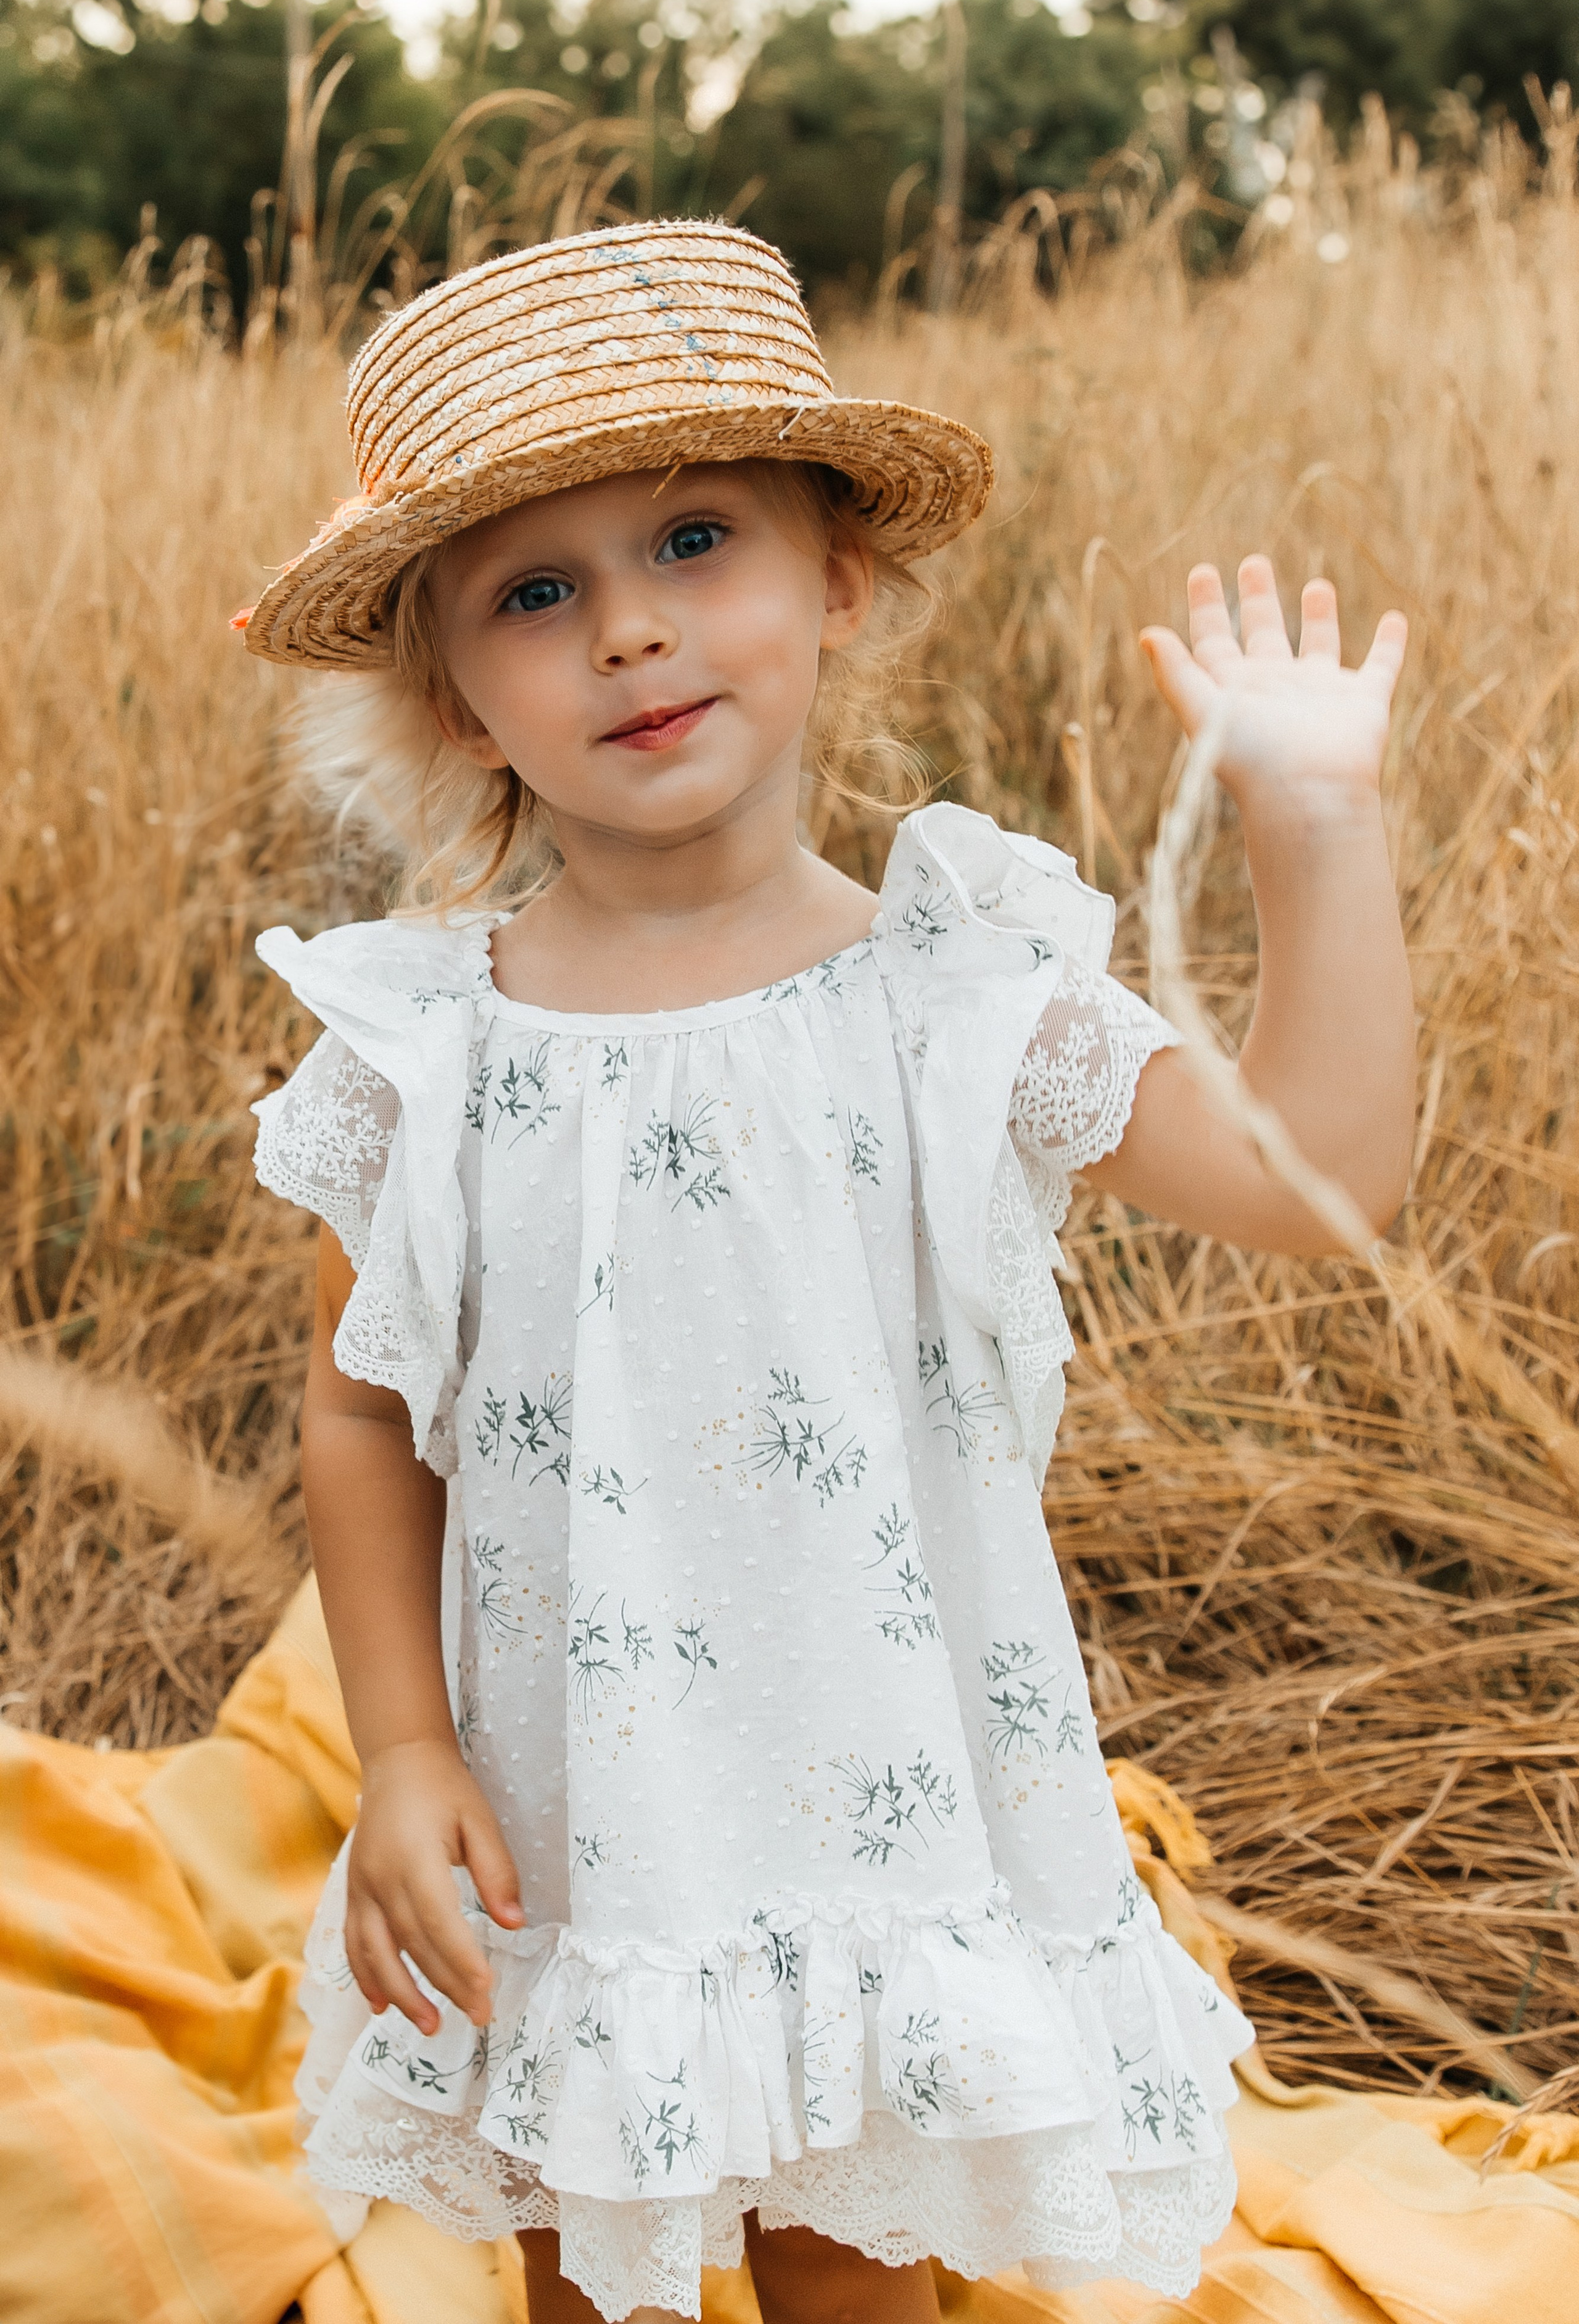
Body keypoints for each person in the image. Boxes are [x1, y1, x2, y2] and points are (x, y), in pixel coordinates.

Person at [239, 221, 1414, 2324]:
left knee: (848, 2264)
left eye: (696, 540)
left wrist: (1316, 830)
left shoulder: (949, 994)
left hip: (878, 1820)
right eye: (535, 590)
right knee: (588, 2259)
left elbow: (1322, 1178)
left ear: (839, 578)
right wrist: (403, 1751)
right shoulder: (436, 1045)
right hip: (565, 1833)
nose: (627, 633)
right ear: (457, 691)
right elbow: (359, 1406)